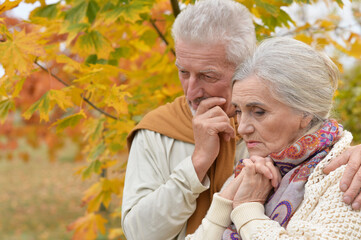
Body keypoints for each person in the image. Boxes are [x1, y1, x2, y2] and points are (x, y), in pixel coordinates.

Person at [121, 0, 361, 239]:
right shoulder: (157, 131)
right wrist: (197, 165)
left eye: (207, 75)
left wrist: (246, 210)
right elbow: (139, 235)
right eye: (183, 72)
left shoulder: (343, 172)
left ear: (243, 66)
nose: (190, 92)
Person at [186, 37, 361, 240]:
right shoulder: (251, 173)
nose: (242, 128)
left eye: (258, 112)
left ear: (305, 113)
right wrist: (222, 205)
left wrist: (247, 211)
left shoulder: (347, 178)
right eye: (238, 111)